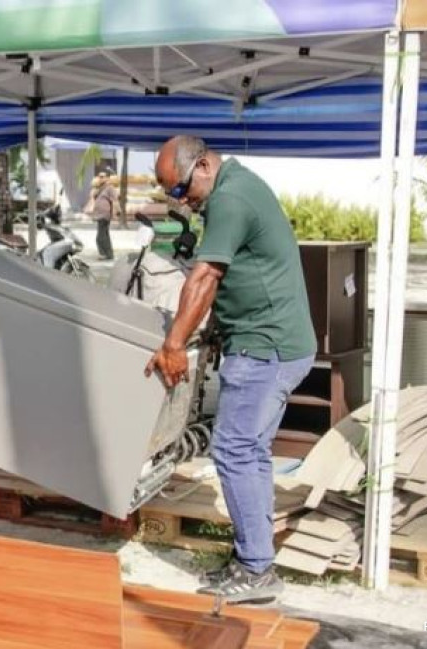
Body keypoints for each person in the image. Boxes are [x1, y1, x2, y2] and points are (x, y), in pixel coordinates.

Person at [144, 135, 316, 603]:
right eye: (171, 195)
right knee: (250, 451)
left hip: (265, 348)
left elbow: (206, 276)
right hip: (275, 343)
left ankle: (256, 569)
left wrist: (173, 345)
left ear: (203, 166)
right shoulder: (234, 187)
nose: (181, 201)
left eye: (180, 190)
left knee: (234, 450)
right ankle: (254, 558)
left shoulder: (230, 198)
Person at [90, 170, 117, 260]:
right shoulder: (99, 188)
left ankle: (103, 254)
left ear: (107, 178)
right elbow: (94, 198)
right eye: (99, 177)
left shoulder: (110, 188)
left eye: (102, 177)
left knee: (100, 237)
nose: (100, 178)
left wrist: (114, 213)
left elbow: (114, 201)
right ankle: (109, 254)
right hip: (99, 215)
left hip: (104, 215)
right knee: (105, 235)